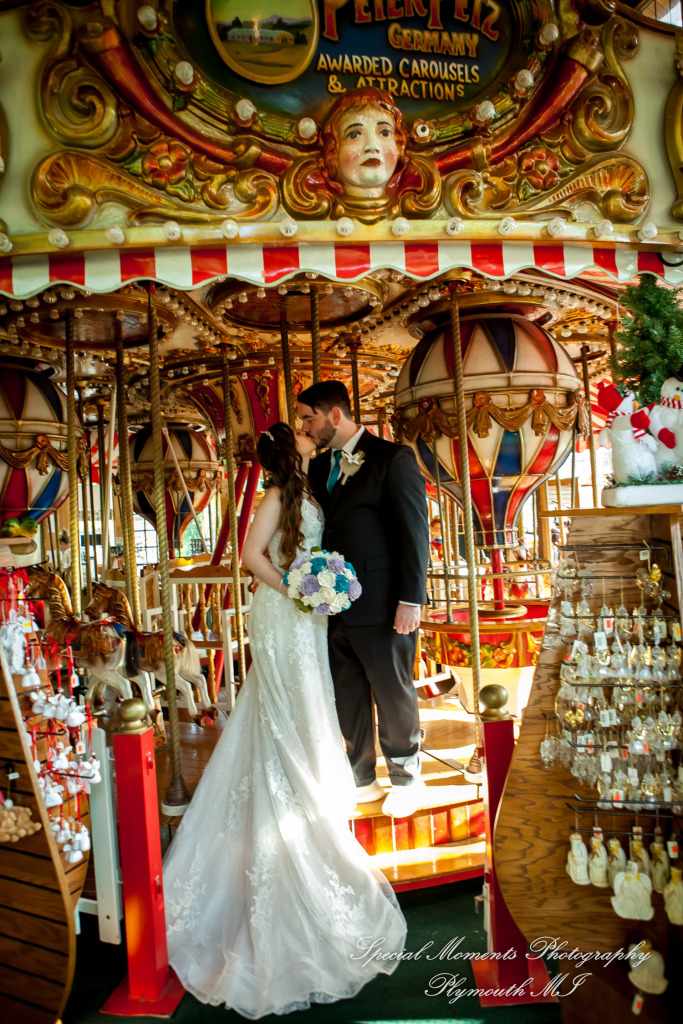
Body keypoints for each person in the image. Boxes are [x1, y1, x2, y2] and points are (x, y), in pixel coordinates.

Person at [163, 421, 406, 1017]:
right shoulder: (275, 495)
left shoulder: (309, 491)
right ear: (286, 451)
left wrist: (317, 590)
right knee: (284, 711)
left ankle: (308, 799)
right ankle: (291, 806)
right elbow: (251, 557)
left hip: (305, 617)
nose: (309, 436)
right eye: (300, 433)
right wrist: (297, 590)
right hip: (282, 615)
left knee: (310, 707)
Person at [297, 381, 430, 820]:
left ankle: (408, 776)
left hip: (386, 602)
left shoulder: (393, 459)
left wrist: (411, 599)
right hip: (332, 606)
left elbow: (414, 533)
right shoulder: (318, 470)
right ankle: (362, 778)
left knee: (393, 693)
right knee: (346, 693)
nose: (304, 426)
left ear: (335, 416)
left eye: (308, 418)